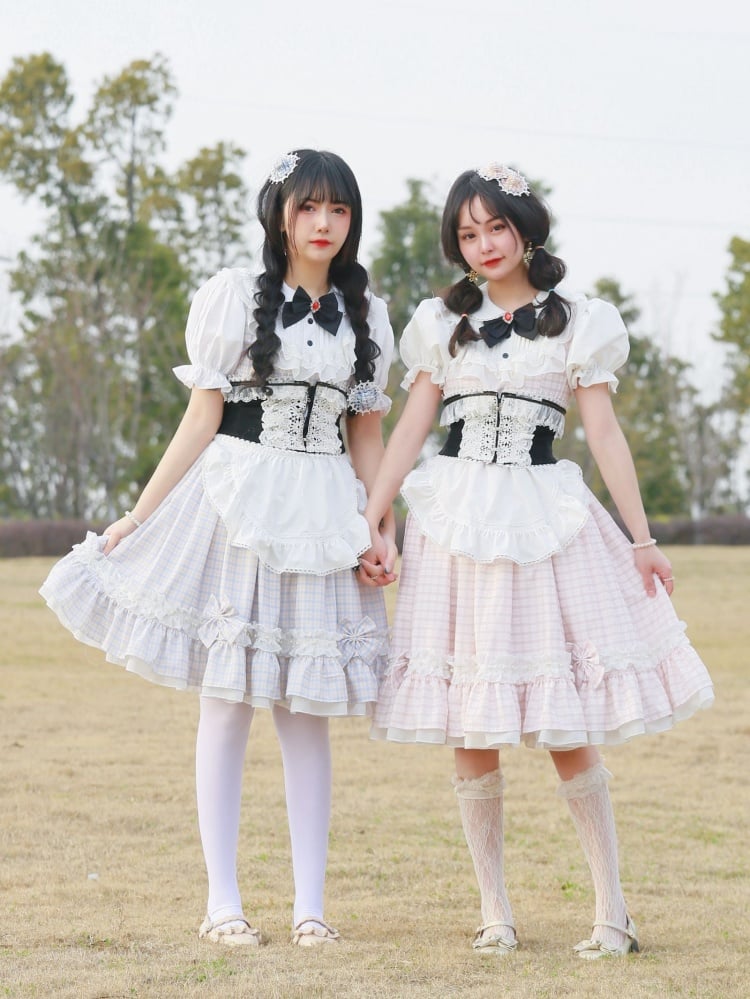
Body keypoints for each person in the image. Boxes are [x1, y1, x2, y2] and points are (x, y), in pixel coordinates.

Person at [40, 148, 396, 948]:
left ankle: (311, 905)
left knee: (307, 710)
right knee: (227, 703)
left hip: (322, 508)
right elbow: (201, 417)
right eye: (308, 208)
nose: (323, 224)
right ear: (279, 214)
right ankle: (222, 901)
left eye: (337, 210)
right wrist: (136, 516)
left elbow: (366, 436)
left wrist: (382, 525)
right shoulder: (236, 297)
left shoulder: (365, 313)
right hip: (242, 501)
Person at [362, 162, 713, 959]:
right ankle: (495, 911)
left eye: (495, 227)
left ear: (526, 227)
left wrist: (643, 538)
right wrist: (375, 515)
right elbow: (413, 426)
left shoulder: (577, 322)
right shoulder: (440, 323)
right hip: (456, 520)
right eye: (467, 233)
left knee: (563, 720)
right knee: (469, 715)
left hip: (543, 518)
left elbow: (606, 434)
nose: (483, 245)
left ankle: (612, 910)